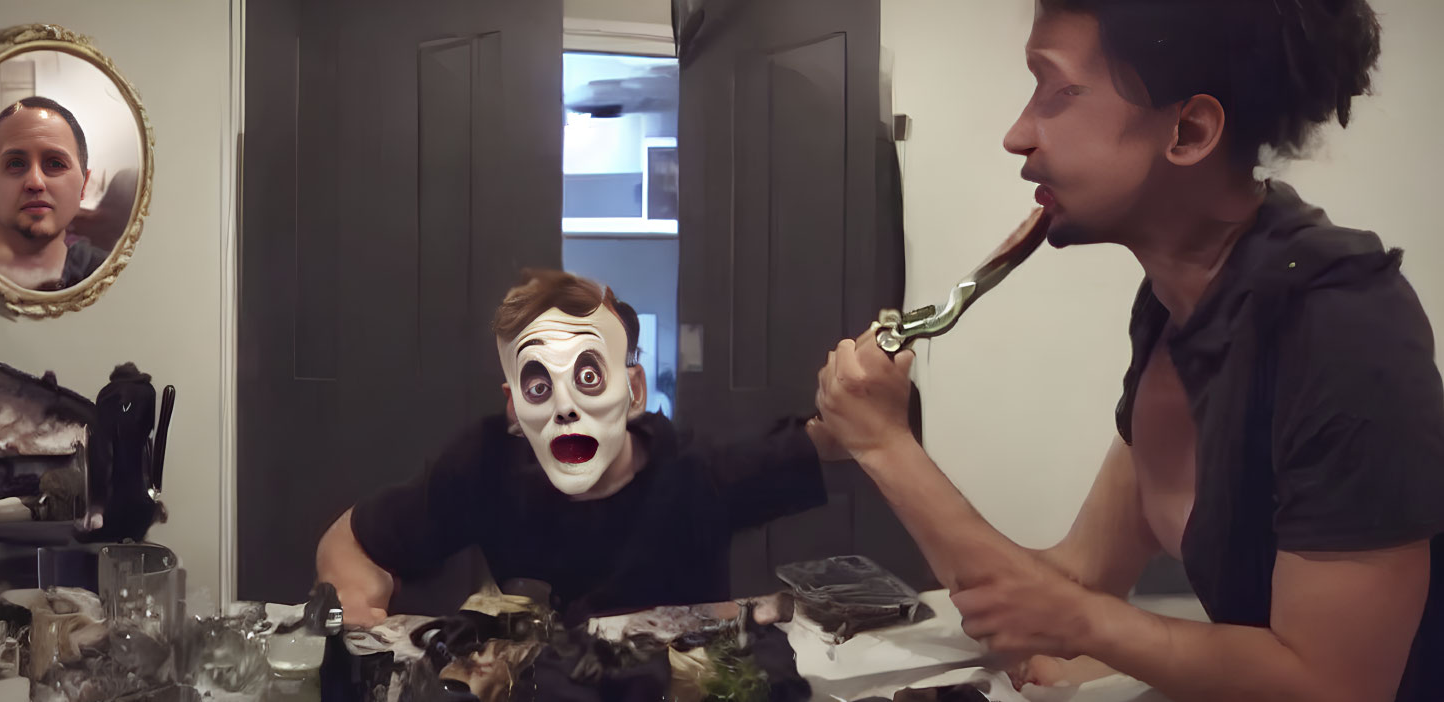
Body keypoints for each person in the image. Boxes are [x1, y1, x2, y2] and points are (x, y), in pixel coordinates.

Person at [814, 1, 1442, 700]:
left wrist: (1087, 625)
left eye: (1057, 92)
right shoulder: (1177, 309)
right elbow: (1066, 587)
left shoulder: (1344, 329)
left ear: (1189, 130)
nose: (1016, 135)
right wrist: (882, 444)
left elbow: (1336, 688)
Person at [318, 270, 846, 626]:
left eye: (588, 375)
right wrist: (356, 601)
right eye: (540, 385)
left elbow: (834, 440)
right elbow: (348, 543)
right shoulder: (486, 465)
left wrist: (857, 395)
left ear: (633, 390)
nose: (565, 407)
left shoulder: (695, 475)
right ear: (514, 408)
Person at [0, 97, 108, 291]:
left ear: (83, 185)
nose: (35, 182)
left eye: (56, 164)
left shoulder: (107, 272)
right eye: (15, 163)